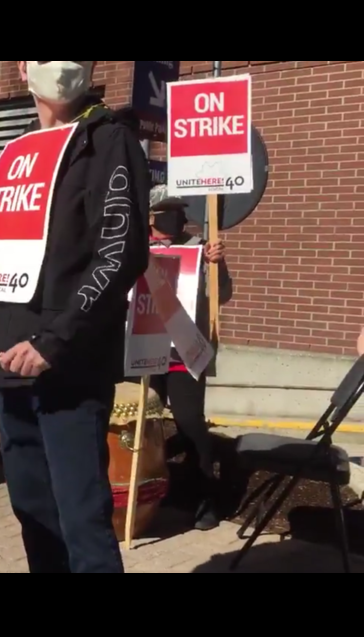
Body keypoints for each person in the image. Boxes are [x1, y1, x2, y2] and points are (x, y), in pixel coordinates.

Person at [0, 61, 150, 573]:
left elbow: (121, 253)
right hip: (12, 374)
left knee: (82, 525)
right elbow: (9, 265)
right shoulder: (19, 153)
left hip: (70, 374)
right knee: (35, 519)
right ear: (22, 69)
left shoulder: (110, 140)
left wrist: (53, 342)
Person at [147, 184, 232, 531]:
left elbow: (222, 294)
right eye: (167, 209)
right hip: (143, 348)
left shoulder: (199, 249)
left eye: (180, 209)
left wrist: (218, 264)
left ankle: (206, 497)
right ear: (151, 216)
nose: (176, 216)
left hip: (185, 348)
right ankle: (150, 490)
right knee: (146, 425)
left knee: (190, 422)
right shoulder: (134, 247)